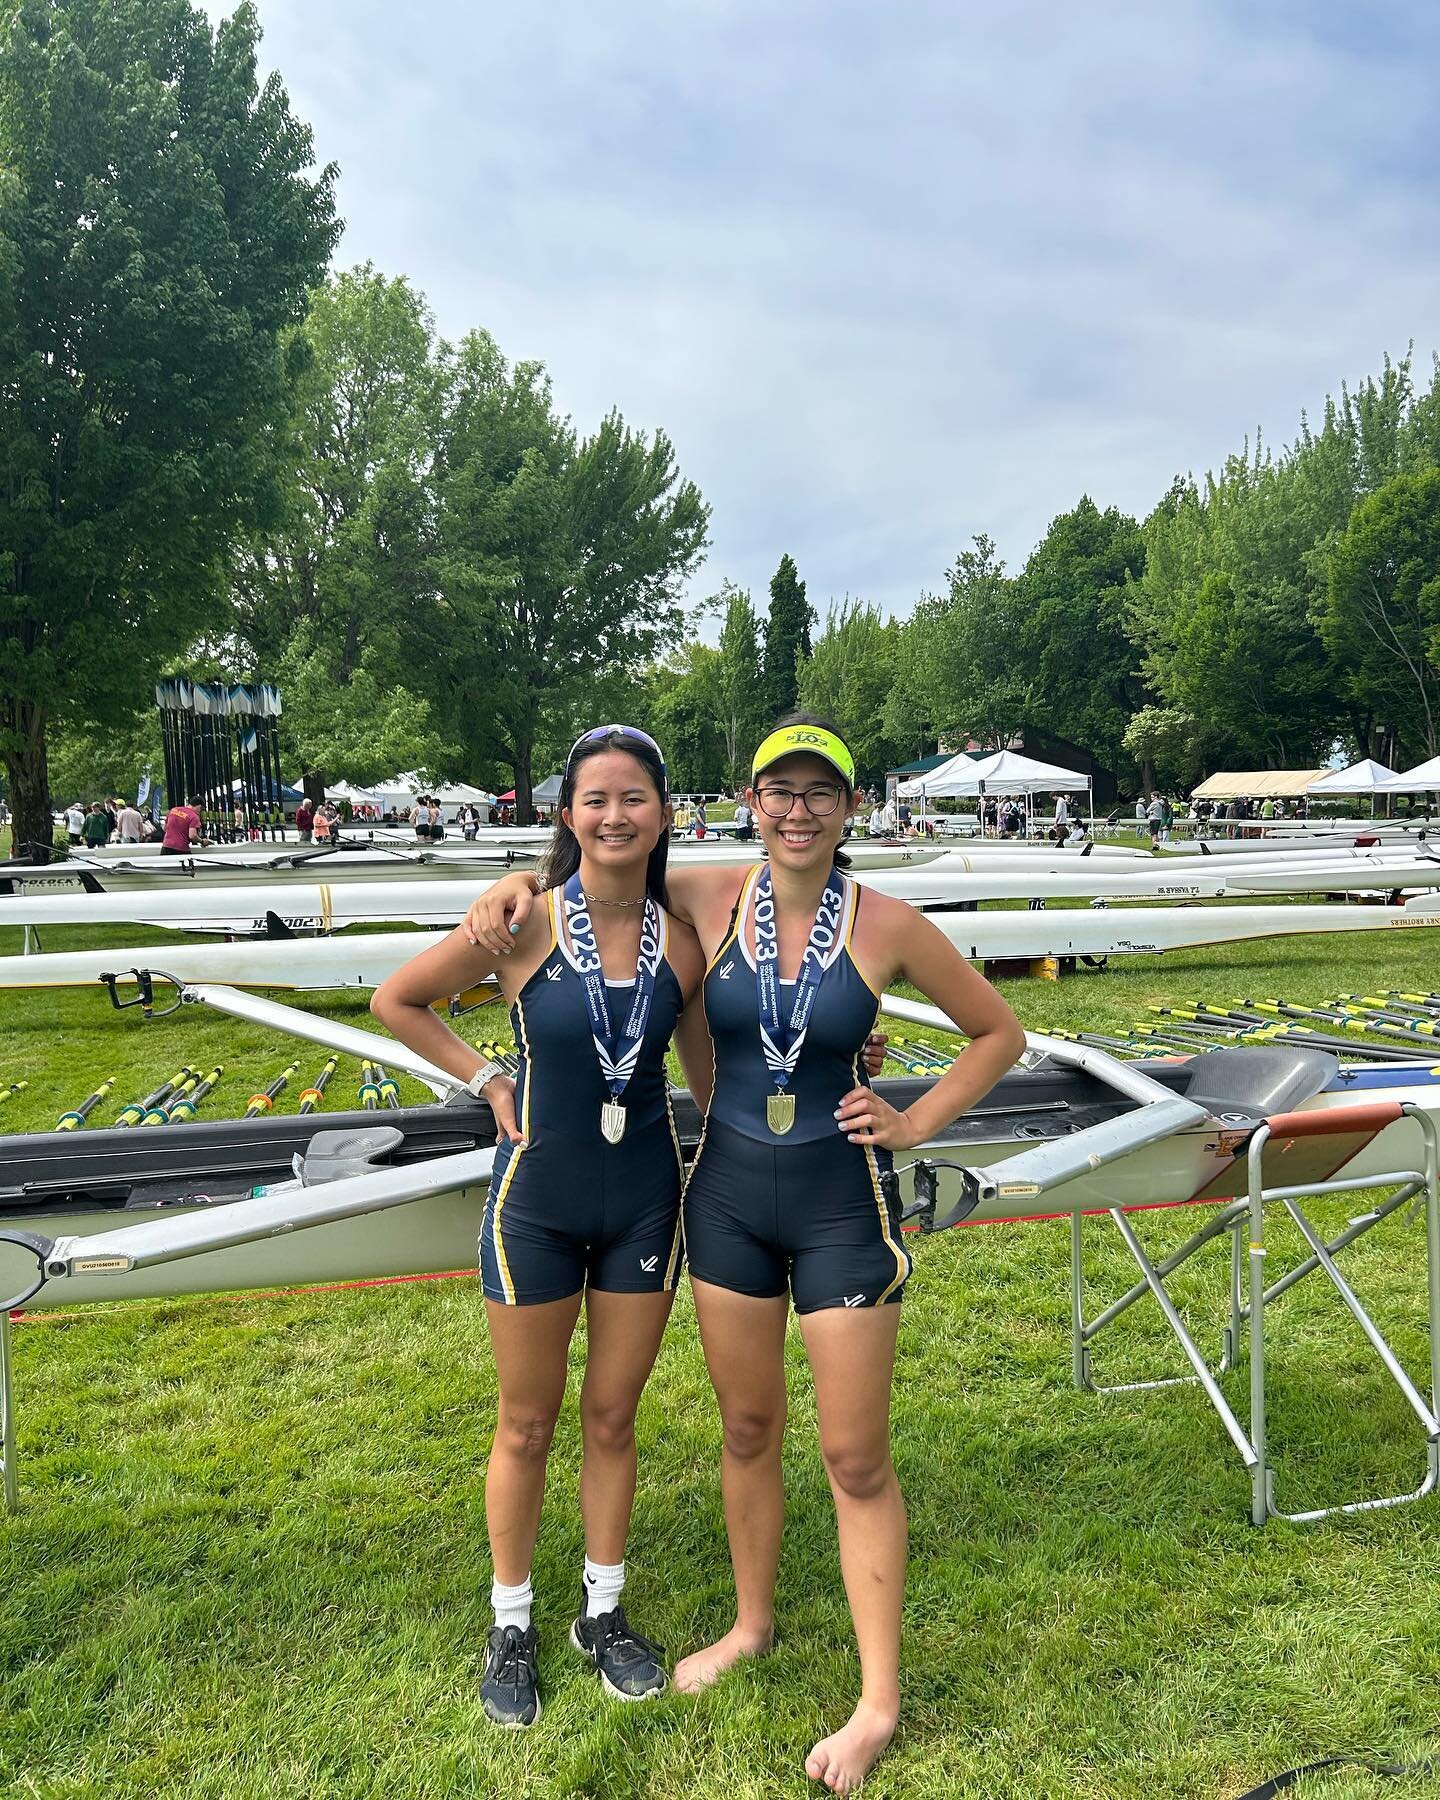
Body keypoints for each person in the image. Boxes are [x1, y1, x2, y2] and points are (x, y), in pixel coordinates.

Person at [463, 713, 1024, 1792]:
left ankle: (876, 1702)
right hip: (720, 1204)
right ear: (751, 803)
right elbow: (597, 874)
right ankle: (752, 1624)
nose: (799, 809)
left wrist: (914, 1120)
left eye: (821, 792)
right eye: (781, 791)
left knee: (856, 1456)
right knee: (749, 1426)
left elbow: (1000, 1034)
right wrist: (507, 890)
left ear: (851, 808)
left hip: (837, 1207)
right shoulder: (709, 893)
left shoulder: (890, 923)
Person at [373, 726, 717, 1728]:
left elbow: (709, 1075)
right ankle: (512, 1619)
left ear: (664, 813)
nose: (615, 816)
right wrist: (486, 1077)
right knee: (526, 1421)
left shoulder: (685, 936)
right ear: (568, 815)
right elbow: (399, 999)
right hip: (536, 1203)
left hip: (647, 1199)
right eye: (595, 799)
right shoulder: (522, 923)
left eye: (635, 799)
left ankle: (602, 1614)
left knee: (613, 1416)